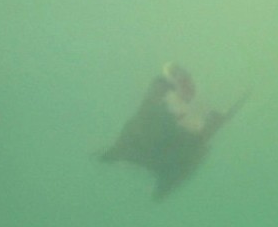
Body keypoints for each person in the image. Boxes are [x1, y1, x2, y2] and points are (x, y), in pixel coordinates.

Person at [99, 65, 247, 200]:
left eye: (187, 81)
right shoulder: (156, 110)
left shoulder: (196, 113)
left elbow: (207, 128)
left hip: (174, 160)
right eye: (182, 81)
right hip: (157, 151)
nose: (188, 86)